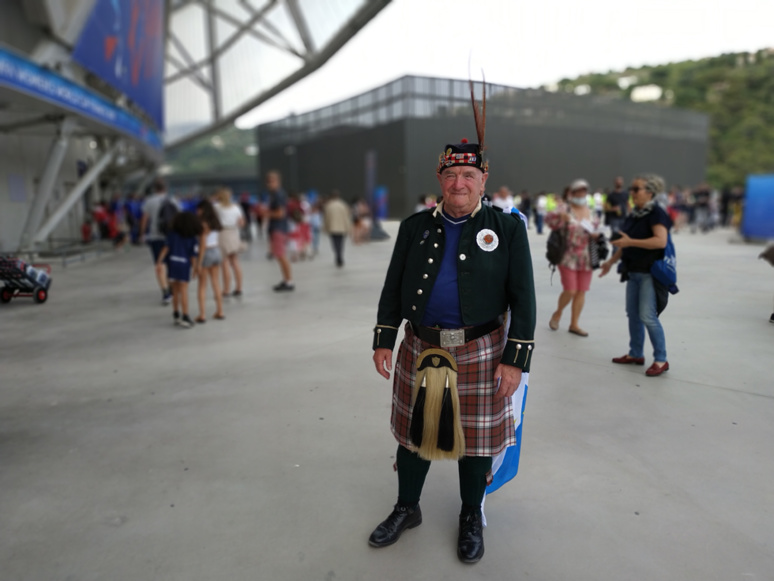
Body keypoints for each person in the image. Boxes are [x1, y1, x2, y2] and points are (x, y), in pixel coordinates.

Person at [370, 130, 536, 564]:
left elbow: (524, 298)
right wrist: (384, 338)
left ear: (483, 179)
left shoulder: (507, 228)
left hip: (481, 349)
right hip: (419, 347)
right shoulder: (413, 227)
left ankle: (469, 515)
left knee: (477, 442)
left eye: (468, 174)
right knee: (412, 436)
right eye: (450, 174)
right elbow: (392, 289)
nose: (458, 183)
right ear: (439, 179)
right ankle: (407, 508)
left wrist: (514, 360)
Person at [599, 174, 672, 377]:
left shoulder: (656, 213)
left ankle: (661, 359)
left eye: (636, 189)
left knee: (648, 316)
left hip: (650, 272)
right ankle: (636, 353)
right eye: (631, 189)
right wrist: (610, 262)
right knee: (633, 315)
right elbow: (625, 242)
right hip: (633, 271)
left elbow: (660, 242)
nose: (631, 193)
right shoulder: (636, 214)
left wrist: (631, 242)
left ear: (649, 192)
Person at [546, 179, 600, 337]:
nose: (581, 195)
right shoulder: (564, 209)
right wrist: (560, 217)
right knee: (570, 290)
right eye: (578, 192)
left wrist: (596, 234)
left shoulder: (590, 210)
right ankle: (558, 313)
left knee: (581, 291)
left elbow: (596, 228)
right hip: (567, 255)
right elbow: (550, 220)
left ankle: (574, 324)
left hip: (586, 256)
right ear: (572, 194)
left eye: (584, 192)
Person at [156, 212, 202, 329]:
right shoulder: (192, 238)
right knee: (184, 291)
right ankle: (185, 316)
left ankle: (176, 314)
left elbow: (165, 248)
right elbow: (193, 255)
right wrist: (196, 268)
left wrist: (159, 262)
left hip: (172, 263)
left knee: (175, 290)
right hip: (184, 265)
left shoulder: (172, 234)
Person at [140, 179, 180, 304]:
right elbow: (179, 217)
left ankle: (165, 292)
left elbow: (144, 219)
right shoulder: (173, 200)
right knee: (171, 263)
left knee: (159, 263)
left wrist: (141, 234)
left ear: (154, 189)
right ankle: (172, 287)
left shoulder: (149, 201)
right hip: (171, 236)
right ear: (166, 188)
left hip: (155, 236)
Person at [195, 199, 225, 323]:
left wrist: (198, 263)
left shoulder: (203, 224)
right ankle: (220, 311)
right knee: (216, 283)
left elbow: (202, 244)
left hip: (206, 253)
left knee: (202, 285)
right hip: (216, 251)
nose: (197, 211)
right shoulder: (215, 222)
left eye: (198, 209)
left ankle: (202, 314)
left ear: (202, 209)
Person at [263, 170, 294, 291]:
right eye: (268, 181)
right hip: (277, 228)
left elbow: (280, 213)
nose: (269, 184)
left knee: (281, 255)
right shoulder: (275, 194)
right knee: (279, 255)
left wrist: (266, 213)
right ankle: (286, 279)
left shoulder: (278, 194)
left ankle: (289, 281)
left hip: (278, 228)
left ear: (277, 181)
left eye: (272, 181)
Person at [214, 187, 245, 297]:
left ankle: (226, 289)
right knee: (235, 262)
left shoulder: (217, 207)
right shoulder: (236, 207)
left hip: (223, 233)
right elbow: (241, 223)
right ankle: (239, 288)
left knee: (225, 262)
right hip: (234, 233)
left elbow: (213, 222)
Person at [323, 189, 353, 267]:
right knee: (341, 243)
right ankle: (340, 256)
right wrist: (348, 227)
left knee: (334, 243)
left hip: (332, 228)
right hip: (342, 227)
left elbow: (326, 218)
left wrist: (325, 227)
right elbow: (347, 217)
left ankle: (338, 256)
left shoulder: (328, 206)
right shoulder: (343, 205)